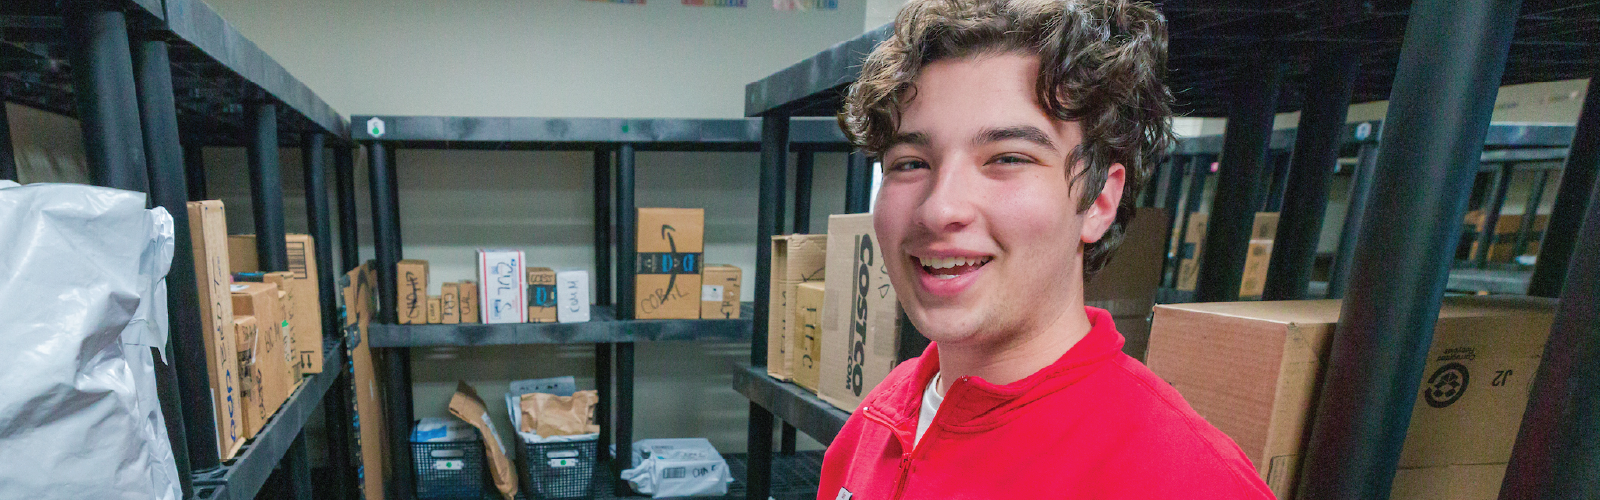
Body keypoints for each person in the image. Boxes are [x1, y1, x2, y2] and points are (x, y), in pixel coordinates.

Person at [817, 0, 1276, 498]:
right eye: (909, 163)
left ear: (1099, 199)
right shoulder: (879, 416)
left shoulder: (1186, 480)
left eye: (1008, 158)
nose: (938, 208)